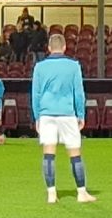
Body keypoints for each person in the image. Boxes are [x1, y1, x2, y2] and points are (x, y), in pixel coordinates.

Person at [30, 33, 95, 204]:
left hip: (46, 113)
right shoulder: (73, 66)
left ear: (49, 48)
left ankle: (52, 193)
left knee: (49, 154)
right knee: (74, 153)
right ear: (65, 47)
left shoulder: (39, 67)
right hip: (67, 113)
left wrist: (37, 116)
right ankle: (81, 193)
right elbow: (78, 93)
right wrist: (81, 114)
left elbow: (35, 94)